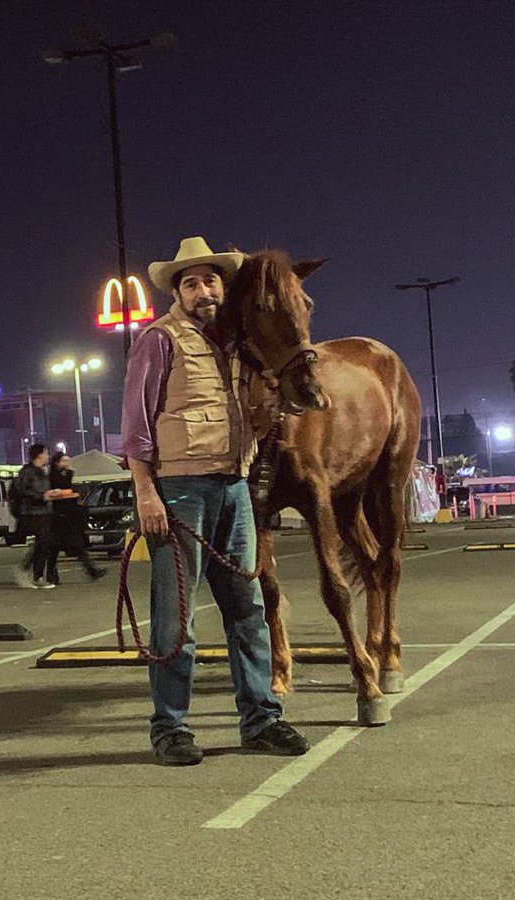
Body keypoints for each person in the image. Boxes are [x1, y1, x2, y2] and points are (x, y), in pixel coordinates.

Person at [121, 235, 309, 766]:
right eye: (191, 283)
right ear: (177, 292)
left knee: (248, 611)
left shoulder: (235, 345)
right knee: (175, 619)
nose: (203, 290)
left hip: (234, 487)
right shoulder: (159, 340)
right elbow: (135, 427)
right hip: (179, 491)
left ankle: (261, 720)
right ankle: (170, 728)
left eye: (210, 280)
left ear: (223, 288)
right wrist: (146, 494)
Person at [44, 452, 107, 584]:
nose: (67, 463)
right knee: (54, 548)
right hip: (58, 516)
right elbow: (55, 492)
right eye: (64, 461)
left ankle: (91, 571)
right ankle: (51, 575)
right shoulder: (52, 476)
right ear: (57, 463)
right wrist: (65, 493)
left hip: (68, 516)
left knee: (75, 545)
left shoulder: (68, 474)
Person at [11, 443, 56, 590]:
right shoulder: (27, 472)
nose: (48, 456)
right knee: (42, 542)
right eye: (46, 453)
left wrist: (52, 494)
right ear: (39, 455)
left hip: (44, 511)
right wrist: (41, 496)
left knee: (44, 543)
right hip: (31, 512)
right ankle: (30, 572)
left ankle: (35, 574)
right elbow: (21, 491)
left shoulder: (42, 471)